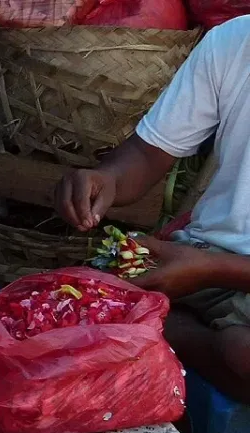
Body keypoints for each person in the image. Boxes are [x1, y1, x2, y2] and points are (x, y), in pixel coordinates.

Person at [54, 16, 250, 403]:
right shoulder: (232, 42)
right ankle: (176, 326)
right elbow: (147, 154)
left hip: (206, 266)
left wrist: (211, 270)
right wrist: (105, 179)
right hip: (201, 253)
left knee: (243, 352)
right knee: (74, 301)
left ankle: (172, 329)